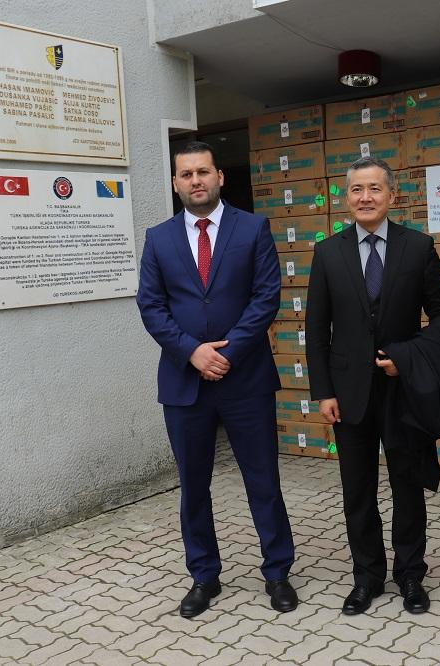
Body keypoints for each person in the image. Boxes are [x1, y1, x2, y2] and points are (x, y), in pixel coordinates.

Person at [137, 141, 298, 618]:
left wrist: (227, 353)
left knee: (263, 480)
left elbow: (266, 297)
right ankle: (204, 576)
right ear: (175, 183)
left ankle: (277, 572)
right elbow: (151, 305)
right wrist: (193, 352)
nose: (196, 181)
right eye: (186, 174)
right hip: (184, 383)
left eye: (203, 172)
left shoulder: (253, 229)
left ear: (219, 176)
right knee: (194, 486)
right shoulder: (158, 238)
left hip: (245, 379)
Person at [305, 156, 440, 616]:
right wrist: (324, 391)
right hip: (349, 393)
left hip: (401, 388)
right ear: (345, 198)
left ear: (392, 195)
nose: (365, 197)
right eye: (357, 189)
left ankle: (410, 574)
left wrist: (408, 356)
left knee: (407, 485)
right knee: (358, 490)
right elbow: (316, 329)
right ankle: (366, 577)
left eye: (374, 189)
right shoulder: (327, 253)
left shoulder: (418, 247)